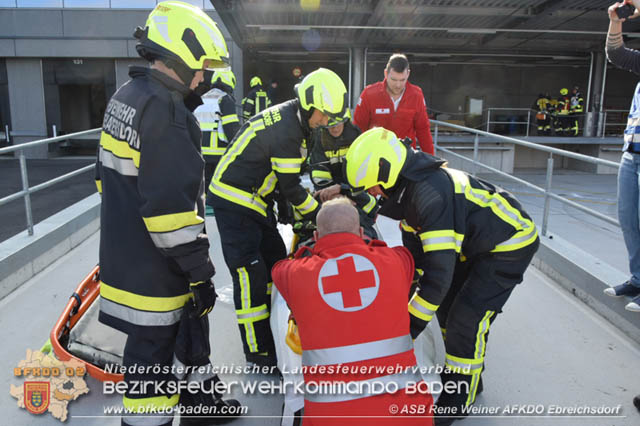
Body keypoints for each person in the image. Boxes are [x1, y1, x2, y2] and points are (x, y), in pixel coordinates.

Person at [93, 2, 241, 425]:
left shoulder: (125, 97)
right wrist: (200, 271)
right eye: (200, 68)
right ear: (179, 56)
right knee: (151, 371)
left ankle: (200, 403)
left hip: (126, 260)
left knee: (186, 336)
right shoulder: (167, 112)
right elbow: (170, 213)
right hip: (156, 276)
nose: (203, 78)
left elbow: (103, 181)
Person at [344, 127, 540, 425]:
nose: (372, 194)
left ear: (386, 170)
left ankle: (457, 399)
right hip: (474, 245)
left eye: (373, 186)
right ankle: (470, 377)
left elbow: (437, 275)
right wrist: (401, 299)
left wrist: (408, 328)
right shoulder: (409, 188)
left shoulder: (429, 194)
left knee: (467, 316)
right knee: (447, 310)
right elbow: (416, 258)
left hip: (508, 243)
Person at [208, 67, 348, 366]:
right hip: (235, 203)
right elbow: (293, 189)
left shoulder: (296, 121)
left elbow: (285, 182)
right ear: (310, 105)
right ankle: (258, 350)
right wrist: (321, 217)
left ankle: (270, 329)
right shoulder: (288, 130)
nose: (325, 121)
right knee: (250, 276)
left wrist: (290, 214)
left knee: (275, 262)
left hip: (255, 201)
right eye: (323, 115)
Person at [271, 197, 434, 425]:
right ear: (360, 232)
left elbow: (278, 268)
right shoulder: (396, 262)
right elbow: (406, 256)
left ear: (317, 237)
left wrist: (312, 253)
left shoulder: (295, 274)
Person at [602, 1, 640, 313]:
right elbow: (616, 54)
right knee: (629, 219)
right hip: (631, 154)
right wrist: (616, 21)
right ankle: (638, 278)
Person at [309, 111, 379, 239]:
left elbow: (362, 174)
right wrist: (335, 195)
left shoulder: (355, 137)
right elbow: (319, 174)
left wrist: (344, 190)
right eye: (330, 125)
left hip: (353, 192)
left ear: (345, 121)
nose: (335, 128)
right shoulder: (320, 138)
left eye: (338, 124)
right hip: (327, 193)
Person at [353, 53, 434, 154]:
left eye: (402, 80)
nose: (398, 85)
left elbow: (423, 130)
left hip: (405, 157)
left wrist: (432, 160)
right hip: (376, 156)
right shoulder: (369, 94)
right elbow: (358, 129)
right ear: (386, 74)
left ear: (408, 74)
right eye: (394, 79)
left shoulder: (416, 95)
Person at [193, 68, 240, 215]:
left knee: (204, 190)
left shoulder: (201, 98)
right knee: (220, 189)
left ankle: (204, 219)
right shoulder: (225, 99)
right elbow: (231, 129)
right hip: (220, 154)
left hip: (200, 154)